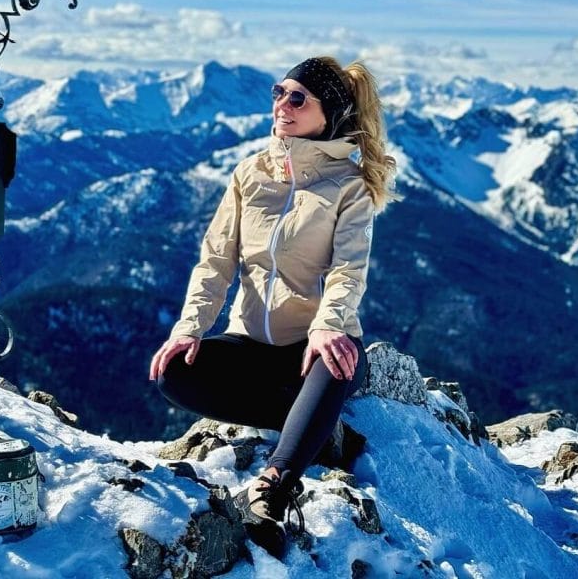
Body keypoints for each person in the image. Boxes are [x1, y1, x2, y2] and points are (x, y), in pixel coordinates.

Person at [149, 56, 396, 558]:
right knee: (173, 374)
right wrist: (189, 329)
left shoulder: (347, 187)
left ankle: (276, 485)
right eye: (278, 91)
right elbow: (216, 261)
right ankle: (318, 429)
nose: (282, 104)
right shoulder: (250, 174)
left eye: (298, 97)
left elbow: (349, 271)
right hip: (250, 341)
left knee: (336, 358)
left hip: (317, 346)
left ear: (327, 114)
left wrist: (329, 327)